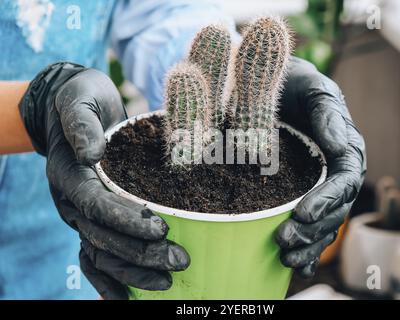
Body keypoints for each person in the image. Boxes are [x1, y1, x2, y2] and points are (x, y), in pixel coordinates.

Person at [0, 0, 366, 300]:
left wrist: (241, 79)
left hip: (64, 248)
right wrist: (32, 109)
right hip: (68, 169)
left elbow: (161, 10)